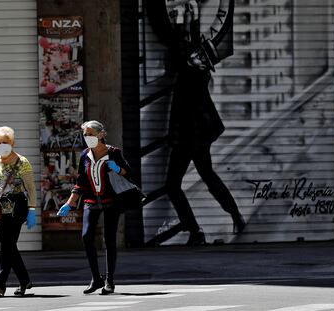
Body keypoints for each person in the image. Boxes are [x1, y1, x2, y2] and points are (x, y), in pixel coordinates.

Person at [147, 0, 245, 245]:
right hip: (199, 136)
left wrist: (186, 19)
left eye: (199, 56)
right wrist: (192, 20)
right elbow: (187, 47)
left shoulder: (189, 70)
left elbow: (180, 48)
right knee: (208, 176)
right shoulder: (198, 71)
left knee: (172, 184)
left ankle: (195, 231)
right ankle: (235, 216)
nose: (195, 56)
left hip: (188, 137)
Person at [57, 120, 131, 295]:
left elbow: (128, 171)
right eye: (85, 134)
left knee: (109, 239)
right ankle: (96, 278)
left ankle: (109, 281)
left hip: (111, 201)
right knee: (86, 236)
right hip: (91, 201)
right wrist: (70, 202)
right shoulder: (85, 155)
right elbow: (81, 181)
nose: (87, 137)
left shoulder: (113, 152)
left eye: (90, 134)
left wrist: (118, 169)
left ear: (101, 134)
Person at [0, 126, 37, 298]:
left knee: (6, 246)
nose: (2, 145)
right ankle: (24, 280)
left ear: (12, 142)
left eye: (5, 142)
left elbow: (31, 188)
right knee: (9, 246)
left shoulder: (22, 162)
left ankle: (0, 286)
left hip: (16, 209)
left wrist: (32, 210)